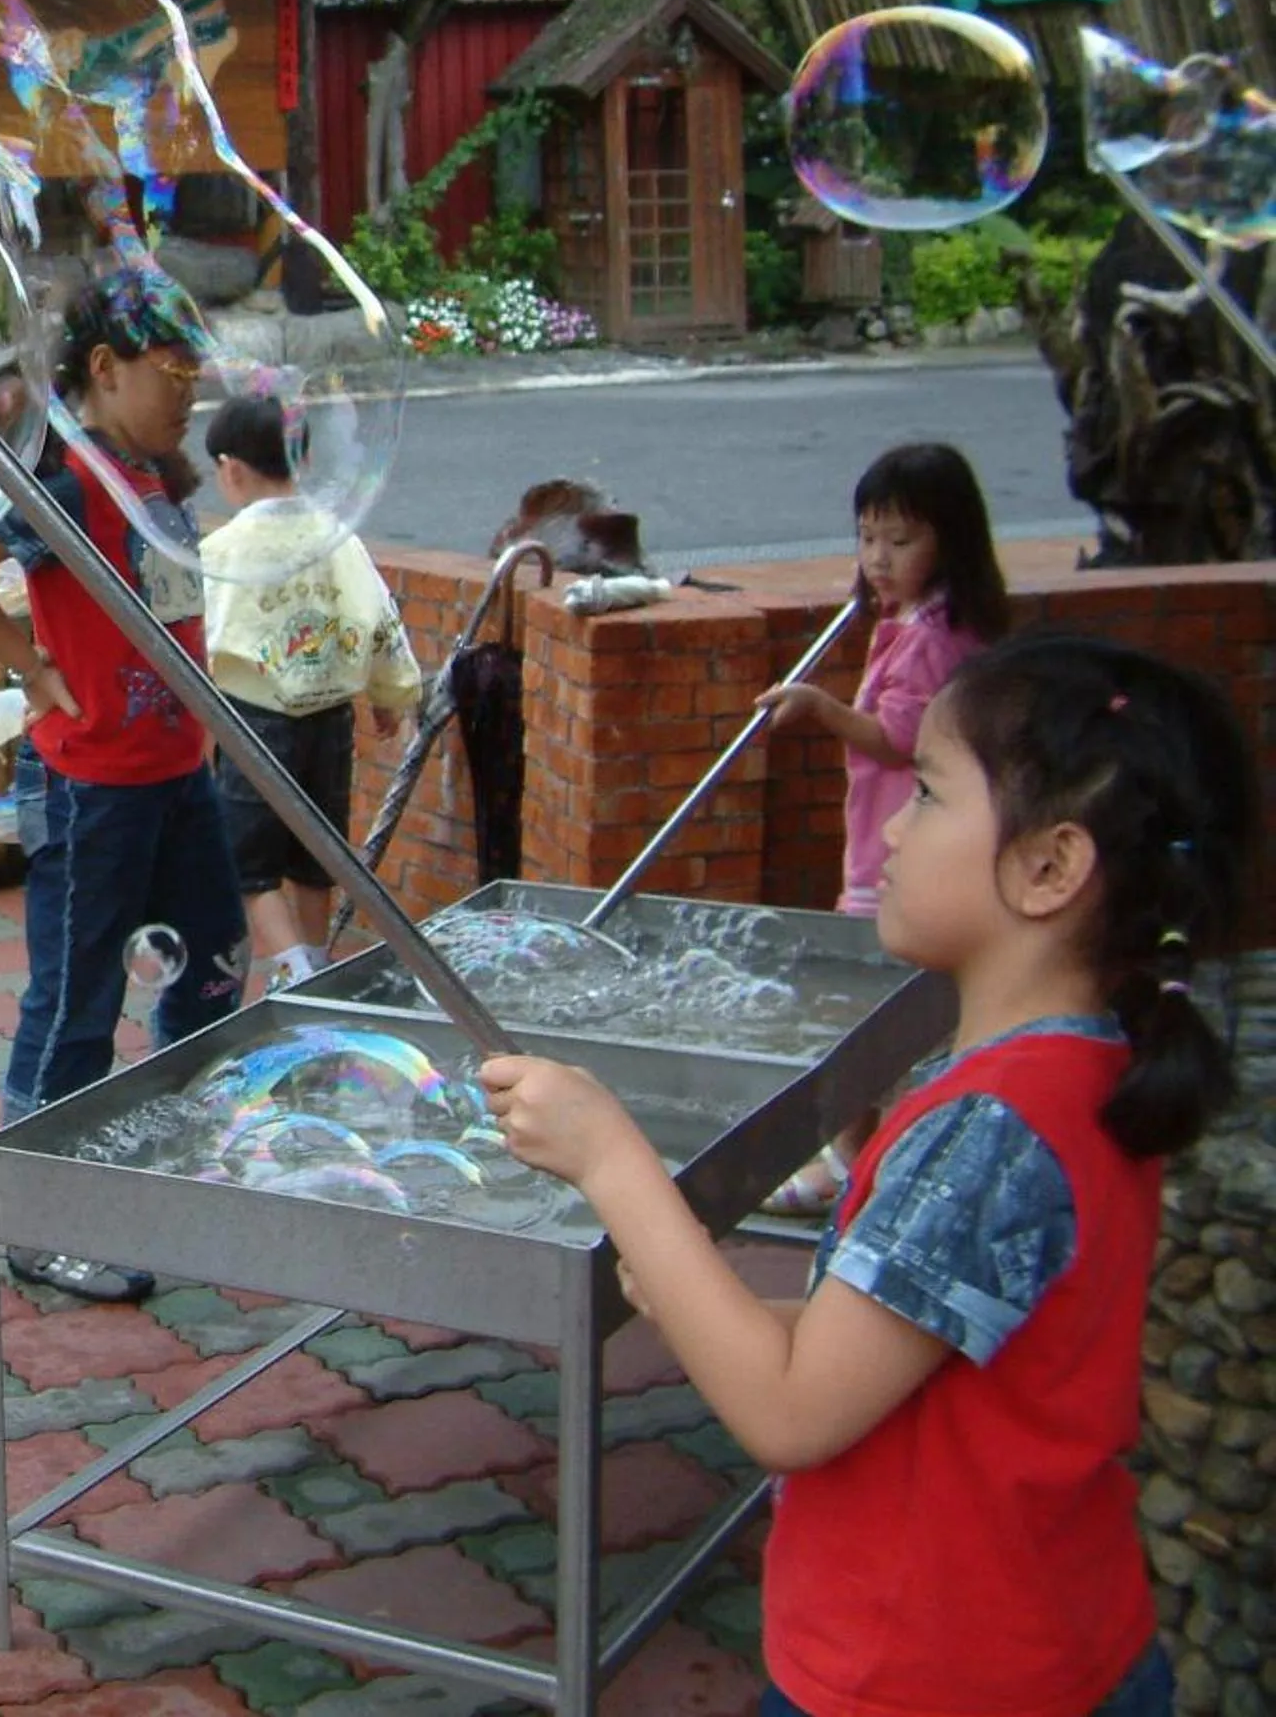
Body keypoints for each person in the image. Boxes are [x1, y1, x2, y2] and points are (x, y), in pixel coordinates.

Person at [484, 633, 1250, 1717]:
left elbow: (791, 1411)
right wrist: (708, 1300)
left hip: (932, 1679)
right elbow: (917, 1334)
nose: (891, 826)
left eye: (929, 794)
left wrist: (611, 1158)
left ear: (1049, 867)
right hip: (1060, 1643)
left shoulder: (992, 1128)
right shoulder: (1078, 1072)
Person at [0, 275, 248, 1303]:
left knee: (213, 967)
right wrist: (30, 666)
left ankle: (169, 1157)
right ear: (105, 370)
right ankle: (38, 1218)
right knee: (77, 1000)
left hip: (177, 778)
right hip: (90, 788)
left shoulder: (158, 477)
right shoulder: (64, 480)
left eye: (196, 374)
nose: (189, 393)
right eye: (172, 372)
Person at [758, 440, 1010, 1211]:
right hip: (890, 842)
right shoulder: (915, 622)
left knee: (866, 1011)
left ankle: (851, 1162)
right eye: (868, 538)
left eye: (900, 540)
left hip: (898, 854)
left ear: (950, 542)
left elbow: (900, 738)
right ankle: (855, 1153)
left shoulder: (933, 637)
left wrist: (819, 707)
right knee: (876, 1011)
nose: (878, 558)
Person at [199, 393, 421, 994]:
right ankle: (319, 957)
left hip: (254, 722)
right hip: (330, 718)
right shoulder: (336, 536)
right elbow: (379, 615)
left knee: (247, 862)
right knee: (316, 850)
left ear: (230, 469)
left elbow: (198, 638)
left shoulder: (223, 550)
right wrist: (392, 693)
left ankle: (293, 967)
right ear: (303, 458)